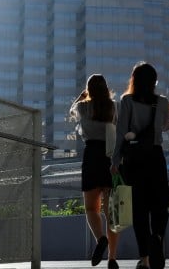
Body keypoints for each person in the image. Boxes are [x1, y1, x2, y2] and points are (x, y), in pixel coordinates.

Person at [112, 62, 169, 269]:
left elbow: (121, 133)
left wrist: (115, 161)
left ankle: (145, 259)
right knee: (160, 205)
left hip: (133, 159)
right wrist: (168, 114)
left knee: (139, 211)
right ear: (154, 81)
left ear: (134, 80)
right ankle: (157, 237)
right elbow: (164, 127)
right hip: (156, 156)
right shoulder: (162, 102)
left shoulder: (126, 101)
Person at [70, 75, 120, 269]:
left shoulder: (82, 107)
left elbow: (71, 111)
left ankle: (100, 239)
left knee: (92, 208)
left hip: (91, 156)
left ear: (88, 89)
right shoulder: (113, 106)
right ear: (106, 88)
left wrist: (82, 96)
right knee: (111, 213)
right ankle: (112, 258)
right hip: (110, 156)